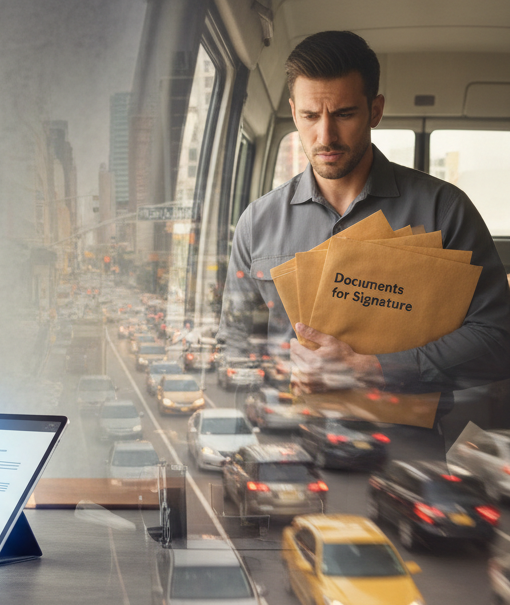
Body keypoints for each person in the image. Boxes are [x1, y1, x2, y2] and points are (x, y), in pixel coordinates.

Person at [218, 30, 510, 456]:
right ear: (293, 112)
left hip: (404, 453)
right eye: (310, 116)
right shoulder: (256, 223)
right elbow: (235, 346)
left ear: (375, 110)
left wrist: (373, 369)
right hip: (288, 448)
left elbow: (498, 339)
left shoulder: (446, 210)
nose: (325, 136)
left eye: (344, 114)